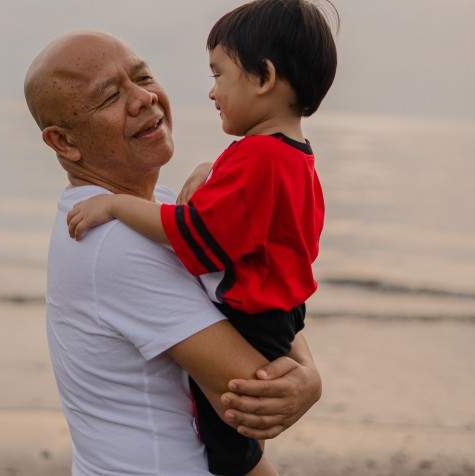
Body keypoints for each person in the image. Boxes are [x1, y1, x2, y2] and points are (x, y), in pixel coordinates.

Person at [24, 30, 322, 475]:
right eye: (109, 97)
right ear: (65, 142)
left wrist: (219, 173)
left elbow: (255, 286)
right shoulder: (115, 243)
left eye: (143, 77)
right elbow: (250, 392)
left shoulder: (152, 211)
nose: (144, 98)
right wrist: (307, 377)